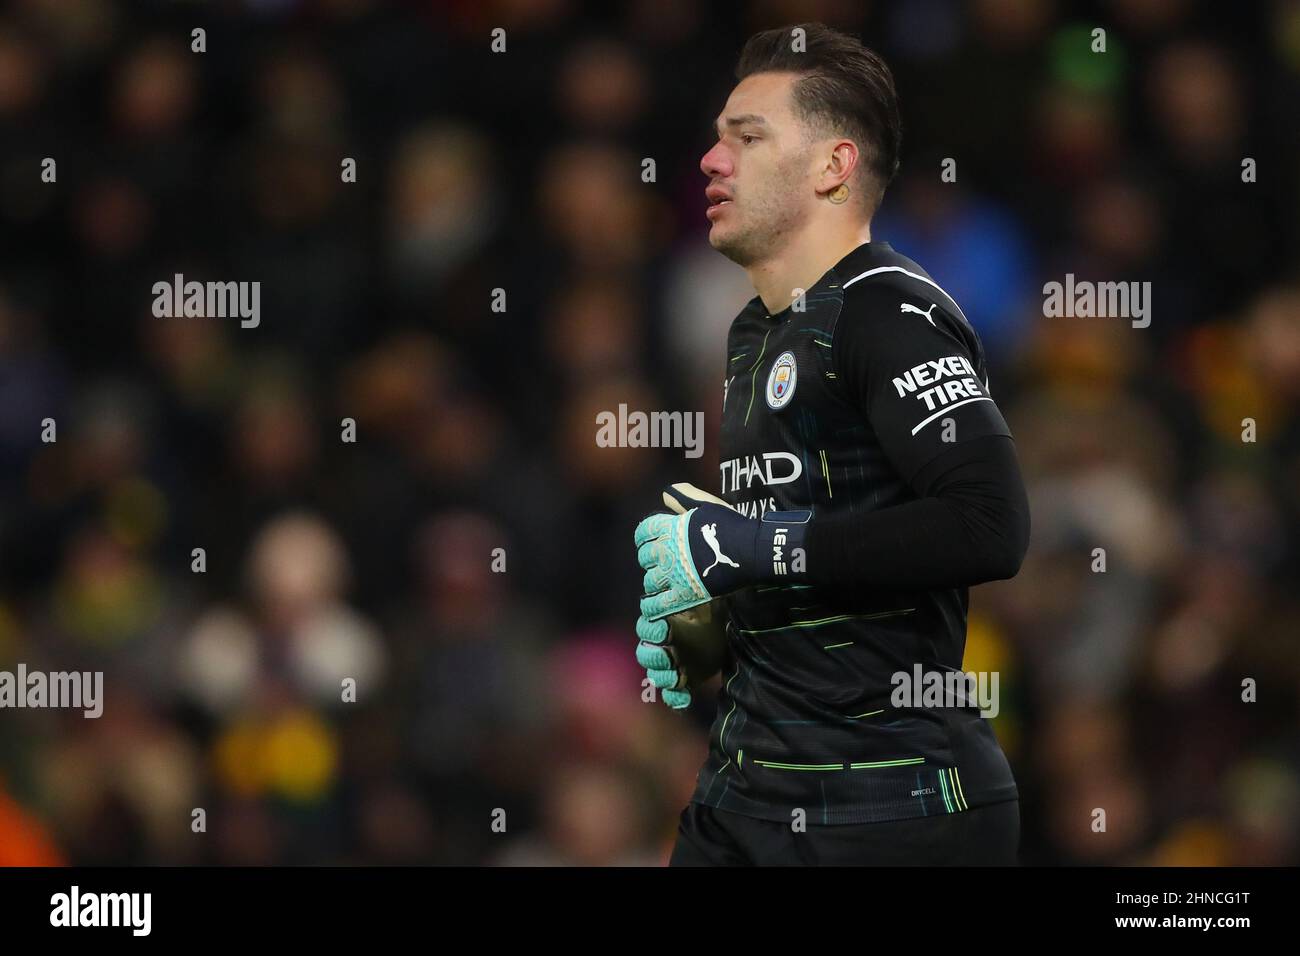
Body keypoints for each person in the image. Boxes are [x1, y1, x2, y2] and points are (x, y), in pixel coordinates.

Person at [634, 22, 1029, 866]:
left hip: (890, 801)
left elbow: (990, 523)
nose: (711, 160)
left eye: (746, 138)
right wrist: (709, 619)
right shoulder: (753, 334)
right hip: (745, 791)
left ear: (831, 166)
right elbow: (818, 559)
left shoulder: (890, 311)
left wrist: (749, 545)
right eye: (715, 139)